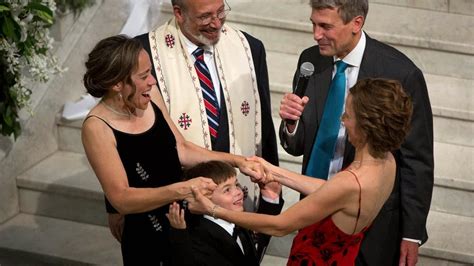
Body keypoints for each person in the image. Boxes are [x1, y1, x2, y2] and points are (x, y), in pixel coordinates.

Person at [106, 0, 280, 253]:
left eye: (221, 12)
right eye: (205, 16)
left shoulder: (249, 47)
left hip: (233, 193)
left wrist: (271, 183)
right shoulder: (143, 52)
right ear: (179, 13)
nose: (217, 22)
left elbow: (262, 124)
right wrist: (114, 205)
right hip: (170, 203)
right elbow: (121, 128)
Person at [81, 35, 266, 265]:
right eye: (143, 76)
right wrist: (181, 190)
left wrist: (238, 161)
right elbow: (121, 198)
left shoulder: (149, 96)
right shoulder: (97, 127)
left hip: (183, 220)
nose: (152, 81)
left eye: (150, 72)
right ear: (117, 84)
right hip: (146, 232)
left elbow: (182, 149)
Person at [189, 78, 414, 265]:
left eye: (348, 115)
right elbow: (330, 192)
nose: (342, 120)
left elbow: (280, 226)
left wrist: (213, 209)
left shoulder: (351, 182)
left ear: (366, 126)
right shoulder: (386, 162)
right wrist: (274, 171)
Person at [278, 1, 434, 265]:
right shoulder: (310, 59)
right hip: (316, 210)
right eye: (313, 24)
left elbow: (417, 160)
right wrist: (291, 124)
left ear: (356, 23)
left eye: (326, 26)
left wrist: (412, 233)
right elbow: (298, 144)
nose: (317, 35)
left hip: (370, 224)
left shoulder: (401, 73)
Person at [166, 160, 283, 265]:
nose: (238, 192)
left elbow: (260, 241)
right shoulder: (198, 236)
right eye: (227, 190)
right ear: (204, 198)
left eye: (236, 185)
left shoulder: (240, 224)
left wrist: (270, 199)